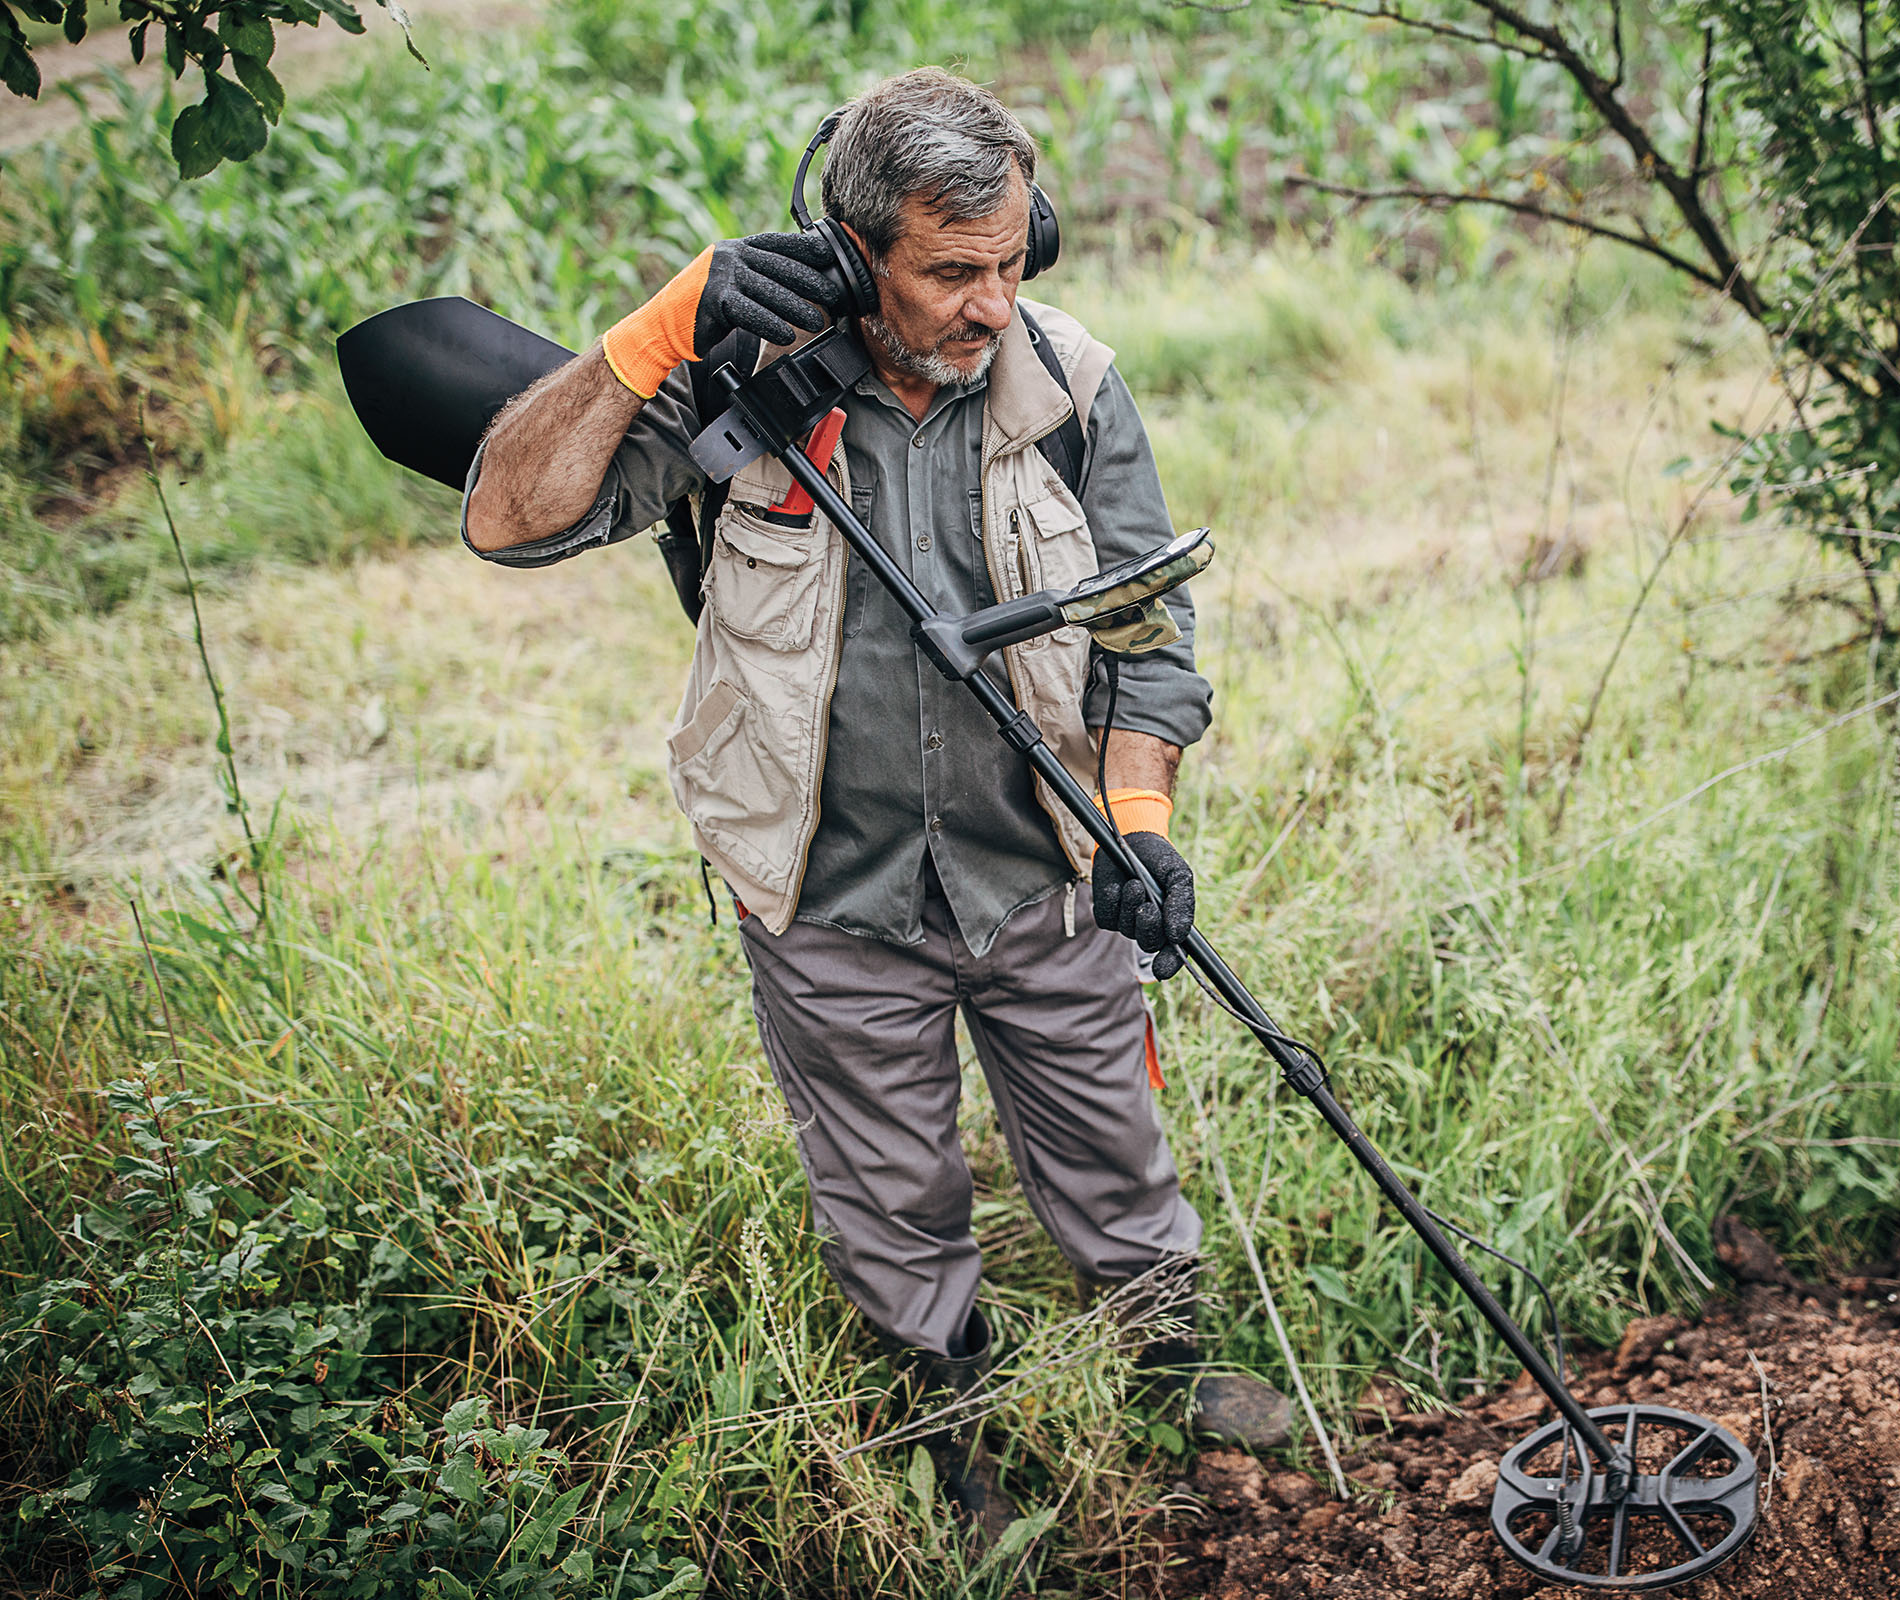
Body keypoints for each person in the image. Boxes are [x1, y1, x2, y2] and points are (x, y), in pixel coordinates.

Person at [455, 67, 1285, 1535]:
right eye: (952, 271)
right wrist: (661, 330)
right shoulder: (737, 387)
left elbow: (1145, 639)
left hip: (1044, 872)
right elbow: (510, 517)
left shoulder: (1071, 384)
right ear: (855, 256)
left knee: (1115, 1151)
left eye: (1015, 261)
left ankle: (1173, 1375)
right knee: (890, 1200)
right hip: (828, 900)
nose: (990, 303)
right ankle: (950, 1432)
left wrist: (1138, 833)